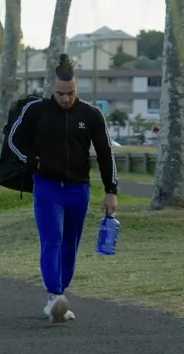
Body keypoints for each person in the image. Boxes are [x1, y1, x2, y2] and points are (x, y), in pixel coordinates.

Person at [8, 53, 118, 324]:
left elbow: (106, 153)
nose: (65, 98)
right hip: (47, 187)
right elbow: (13, 139)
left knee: (71, 245)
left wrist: (111, 190)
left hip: (79, 190)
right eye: (60, 93)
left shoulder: (91, 115)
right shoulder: (36, 111)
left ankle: (60, 295)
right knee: (52, 240)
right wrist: (32, 161)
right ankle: (54, 296)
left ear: (76, 88)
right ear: (52, 88)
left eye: (70, 93)